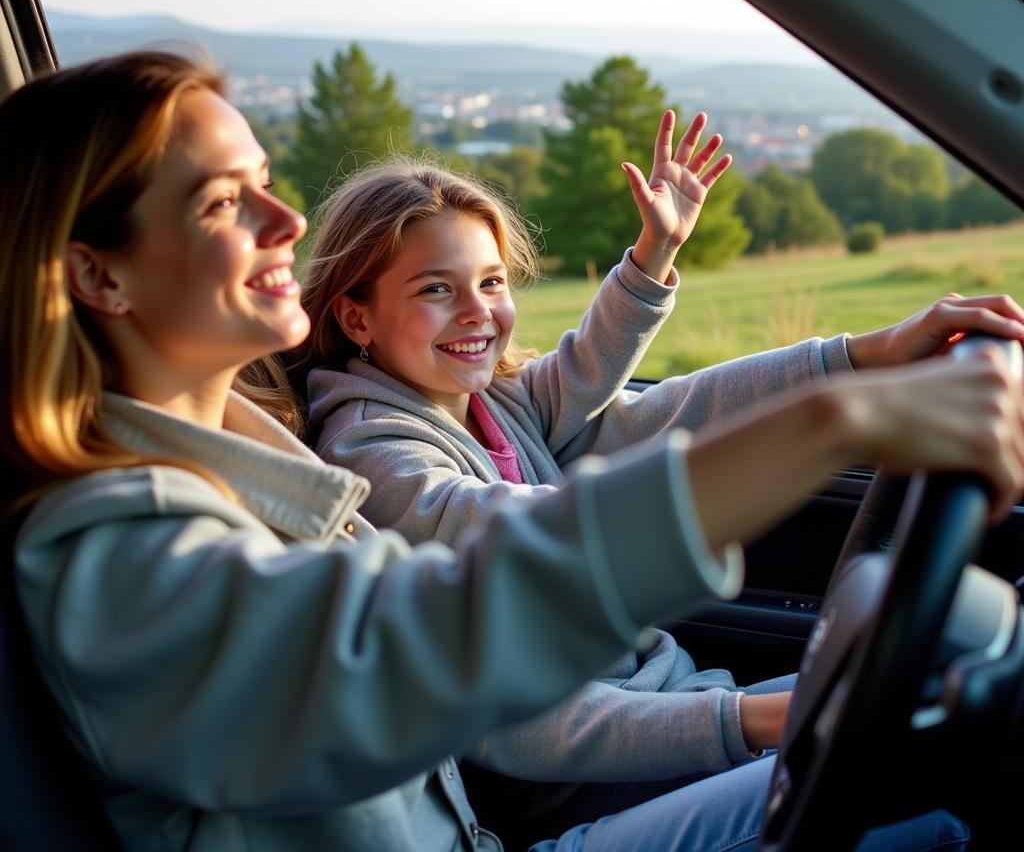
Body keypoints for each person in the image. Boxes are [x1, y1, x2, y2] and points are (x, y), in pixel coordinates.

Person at [4, 51, 1021, 852]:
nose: (289, 220)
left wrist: (856, 360)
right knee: (940, 801)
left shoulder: (249, 468)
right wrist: (834, 424)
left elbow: (616, 402)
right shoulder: (116, 555)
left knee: (932, 775)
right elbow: (438, 628)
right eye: (225, 203)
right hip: (542, 811)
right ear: (98, 275)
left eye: (267, 182)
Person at [296, 129, 1024, 840]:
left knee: (956, 715)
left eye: (491, 281)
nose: (477, 311)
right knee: (931, 792)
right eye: (435, 288)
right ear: (358, 316)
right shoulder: (376, 456)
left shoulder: (493, 403)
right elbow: (523, 576)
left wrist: (866, 353)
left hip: (666, 704)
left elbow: (637, 392)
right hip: (568, 791)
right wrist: (752, 718)